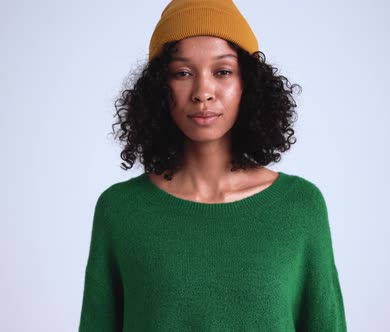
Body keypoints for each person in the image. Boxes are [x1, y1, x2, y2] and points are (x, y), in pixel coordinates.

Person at [78, 0, 347, 331]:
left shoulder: (299, 207)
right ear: (159, 89)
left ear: (248, 84)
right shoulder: (120, 210)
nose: (203, 91)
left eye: (223, 72)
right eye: (182, 73)